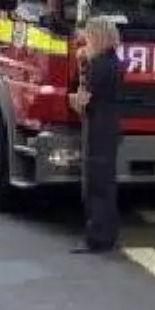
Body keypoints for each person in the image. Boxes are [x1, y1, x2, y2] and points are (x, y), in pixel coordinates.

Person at [68, 16, 124, 253]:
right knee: (107, 184)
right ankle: (109, 235)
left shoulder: (98, 64)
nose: (85, 40)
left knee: (96, 185)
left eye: (89, 35)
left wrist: (72, 98)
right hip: (111, 126)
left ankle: (96, 238)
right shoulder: (115, 62)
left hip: (98, 127)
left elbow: (83, 100)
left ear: (97, 37)